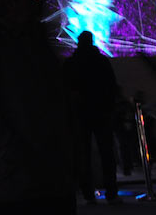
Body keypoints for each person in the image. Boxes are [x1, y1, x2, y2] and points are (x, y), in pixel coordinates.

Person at [0, 0, 75, 215]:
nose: (33, 2)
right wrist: (15, 153)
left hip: (46, 174)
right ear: (9, 3)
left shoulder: (33, 42)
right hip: (17, 180)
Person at [64, 31, 121, 204]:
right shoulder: (101, 61)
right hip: (102, 112)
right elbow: (112, 86)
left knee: (83, 154)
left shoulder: (71, 63)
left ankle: (88, 193)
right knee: (106, 153)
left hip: (81, 114)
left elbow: (65, 89)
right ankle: (111, 192)